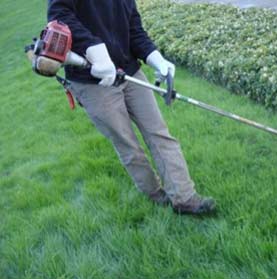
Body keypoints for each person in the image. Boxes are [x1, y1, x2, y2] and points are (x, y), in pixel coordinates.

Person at [48, 0, 216, 214]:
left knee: (159, 133)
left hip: (130, 71)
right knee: (127, 144)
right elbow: (59, 16)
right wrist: (94, 50)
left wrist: (157, 60)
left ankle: (184, 198)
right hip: (92, 81)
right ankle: (155, 194)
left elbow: (134, 31)